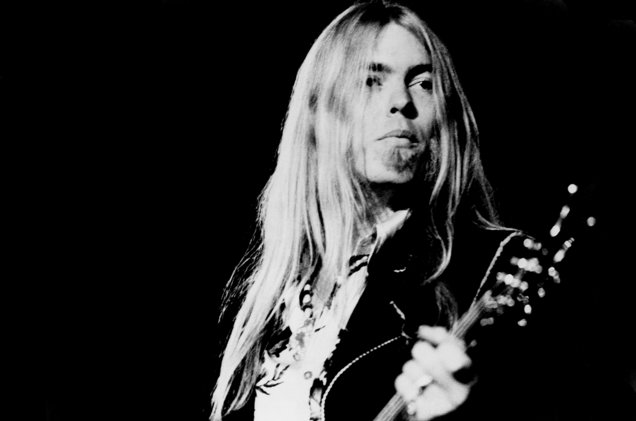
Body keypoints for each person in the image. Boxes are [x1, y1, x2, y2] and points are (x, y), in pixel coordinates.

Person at [210, 1, 597, 420]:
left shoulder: (494, 267)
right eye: (371, 81)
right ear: (319, 111)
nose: (401, 101)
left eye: (423, 83)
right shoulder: (263, 293)